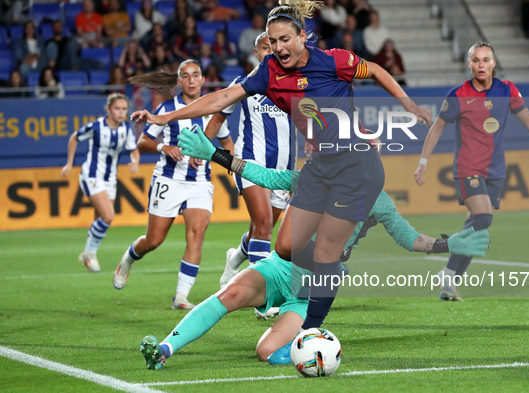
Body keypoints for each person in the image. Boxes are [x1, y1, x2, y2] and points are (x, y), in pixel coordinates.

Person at [131, 0, 431, 329]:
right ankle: (321, 272)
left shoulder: (334, 62)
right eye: (272, 42)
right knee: (286, 247)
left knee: (321, 250)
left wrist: (410, 106)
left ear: (303, 36)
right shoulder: (267, 73)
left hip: (353, 165)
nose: (278, 47)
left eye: (285, 39)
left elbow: (374, 70)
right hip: (316, 165)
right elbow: (219, 99)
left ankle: (311, 323)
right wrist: (165, 116)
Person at [137, 125, 489, 370]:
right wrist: (216, 154)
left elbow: (410, 238)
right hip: (281, 267)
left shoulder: (376, 199)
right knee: (230, 292)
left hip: (313, 288)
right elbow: (265, 176)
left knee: (265, 352)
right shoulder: (312, 176)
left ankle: (313, 349)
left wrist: (447, 243)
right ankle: (165, 348)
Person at [414, 42, 529, 301]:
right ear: (469, 64)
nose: (481, 65)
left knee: (477, 230)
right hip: (468, 168)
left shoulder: (507, 90)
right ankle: (445, 253)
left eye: (485, 60)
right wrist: (423, 162)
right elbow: (437, 128)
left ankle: (449, 280)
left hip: (495, 171)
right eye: (476, 60)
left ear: (493, 63)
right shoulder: (458, 95)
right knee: (484, 218)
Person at [112, 59, 234, 310]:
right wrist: (164, 147)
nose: (191, 80)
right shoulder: (168, 109)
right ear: (179, 82)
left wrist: (230, 164)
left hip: (200, 182)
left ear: (203, 79)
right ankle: (127, 259)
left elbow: (227, 142)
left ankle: (180, 297)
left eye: (195, 75)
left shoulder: (214, 110)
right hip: (168, 180)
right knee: (154, 240)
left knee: (197, 235)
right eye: (186, 76)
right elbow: (143, 142)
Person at [203, 32, 294, 295]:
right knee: (264, 224)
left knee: (261, 227)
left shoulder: (293, 83)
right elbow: (217, 118)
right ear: (256, 53)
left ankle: (235, 257)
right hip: (249, 162)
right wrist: (203, 150)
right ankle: (260, 294)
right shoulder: (244, 83)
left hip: (282, 170)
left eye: (277, 46)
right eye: (266, 47)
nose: (273, 51)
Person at [61, 93, 139, 272]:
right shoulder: (96, 127)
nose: (121, 113)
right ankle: (89, 254)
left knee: (100, 219)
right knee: (108, 216)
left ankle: (87, 254)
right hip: (92, 175)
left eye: (124, 109)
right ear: (108, 110)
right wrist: (70, 163)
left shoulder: (126, 129)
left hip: (110, 178)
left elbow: (134, 150)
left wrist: (135, 163)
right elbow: (74, 137)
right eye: (117, 109)